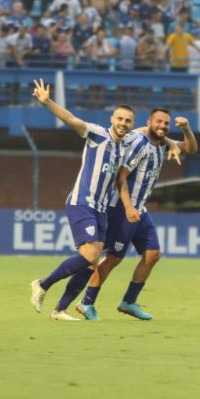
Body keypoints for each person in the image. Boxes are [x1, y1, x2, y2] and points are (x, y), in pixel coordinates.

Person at [60, 108, 199, 321]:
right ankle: (86, 302)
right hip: (122, 209)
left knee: (153, 254)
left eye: (166, 124)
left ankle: (129, 301)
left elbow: (190, 148)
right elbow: (121, 177)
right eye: (158, 122)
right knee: (113, 259)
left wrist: (186, 129)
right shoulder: (137, 144)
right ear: (149, 122)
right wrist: (128, 208)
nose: (162, 126)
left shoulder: (161, 143)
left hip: (141, 209)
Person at [29, 79, 136, 320]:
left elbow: (144, 134)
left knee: (91, 263)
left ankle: (59, 310)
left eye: (128, 120)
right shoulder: (97, 134)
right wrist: (47, 103)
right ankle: (42, 284)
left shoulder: (125, 147)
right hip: (82, 202)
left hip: (101, 209)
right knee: (90, 256)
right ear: (112, 119)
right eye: (119, 119)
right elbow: (71, 120)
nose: (123, 123)